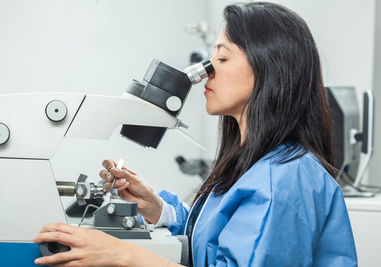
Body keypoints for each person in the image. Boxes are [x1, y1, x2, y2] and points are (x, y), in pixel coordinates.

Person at [34, 2, 357, 266]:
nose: (208, 71)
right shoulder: (256, 163)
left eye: (223, 56)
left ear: (268, 68)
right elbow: (220, 241)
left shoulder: (283, 180)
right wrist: (159, 209)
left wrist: (125, 256)